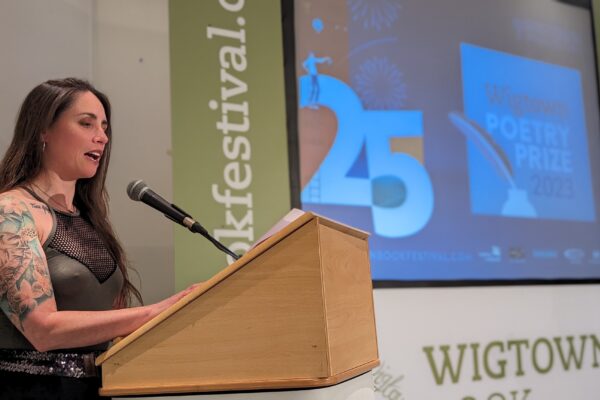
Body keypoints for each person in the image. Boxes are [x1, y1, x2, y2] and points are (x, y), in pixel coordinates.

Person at [0, 78, 197, 399]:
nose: (102, 137)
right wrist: (159, 310)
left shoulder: (90, 219)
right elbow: (42, 329)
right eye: (86, 123)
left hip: (101, 389)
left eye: (104, 127)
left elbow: (113, 324)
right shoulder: (11, 211)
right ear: (42, 132)